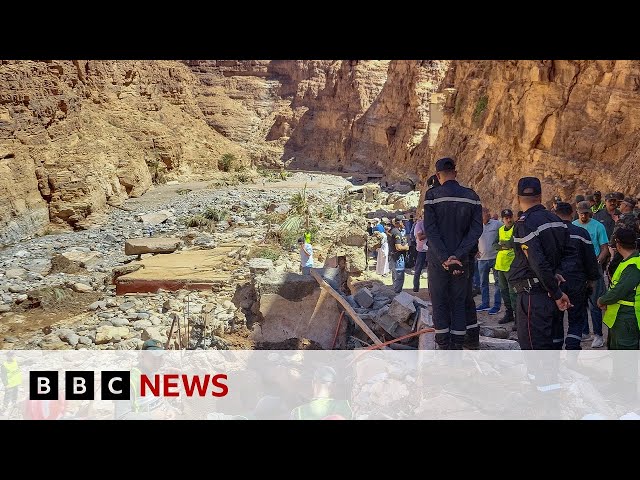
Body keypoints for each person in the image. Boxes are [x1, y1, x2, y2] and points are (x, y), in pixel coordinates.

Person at [423, 157, 482, 349]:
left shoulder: (432, 196)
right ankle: (458, 346)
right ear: (455, 173)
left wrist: (444, 258)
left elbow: (431, 230)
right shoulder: (472, 196)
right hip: (462, 261)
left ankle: (443, 347)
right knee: (458, 302)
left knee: (439, 302)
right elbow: (476, 230)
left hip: (438, 262)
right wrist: (458, 255)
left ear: (438, 175)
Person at [509, 177, 571, 350]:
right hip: (550, 291)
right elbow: (567, 255)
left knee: (534, 349)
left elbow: (537, 261)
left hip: (533, 295)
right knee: (551, 346)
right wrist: (556, 284)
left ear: (518, 197)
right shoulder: (557, 220)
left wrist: (556, 293)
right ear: (541, 195)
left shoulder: (525, 223)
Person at [554, 202, 601, 350]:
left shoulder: (550, 233)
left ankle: (554, 356)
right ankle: (572, 354)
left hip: (555, 283)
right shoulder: (581, 233)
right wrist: (592, 280)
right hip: (577, 282)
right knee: (576, 319)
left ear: (555, 214)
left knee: (556, 319)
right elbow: (590, 259)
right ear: (573, 213)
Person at [573, 200, 609, 348]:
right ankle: (584, 332)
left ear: (590, 212)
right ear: (577, 212)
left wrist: (597, 262)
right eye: (581, 213)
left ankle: (598, 335)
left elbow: (604, 248)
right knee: (580, 302)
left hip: (593, 268)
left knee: (595, 303)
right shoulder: (573, 226)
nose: (584, 215)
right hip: (578, 269)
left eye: (586, 213)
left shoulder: (598, 226)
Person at [599, 228, 640, 349]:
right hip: (620, 316)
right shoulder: (628, 261)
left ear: (618, 244)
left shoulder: (633, 265)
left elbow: (619, 291)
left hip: (626, 318)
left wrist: (602, 300)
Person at [114, 339, 169, 419]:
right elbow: (121, 417)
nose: (157, 361)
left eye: (160, 357)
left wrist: (168, 411)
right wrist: (152, 416)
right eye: (153, 357)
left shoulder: (156, 373)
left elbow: (160, 401)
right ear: (142, 356)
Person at [493, 209, 518, 328]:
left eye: (510, 217)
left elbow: (511, 244)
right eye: (506, 218)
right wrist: (503, 245)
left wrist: (503, 244)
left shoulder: (516, 228)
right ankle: (509, 314)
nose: (509, 219)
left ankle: (518, 318)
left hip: (512, 265)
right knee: (504, 291)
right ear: (502, 220)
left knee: (513, 293)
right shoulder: (500, 230)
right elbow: (494, 245)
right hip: (500, 265)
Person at [476, 207, 503, 315]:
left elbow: (506, 231)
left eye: (486, 213)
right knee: (483, 283)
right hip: (482, 259)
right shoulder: (476, 226)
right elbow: (473, 239)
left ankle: (497, 305)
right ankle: (485, 304)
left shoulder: (497, 224)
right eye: (483, 214)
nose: (485, 216)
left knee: (497, 283)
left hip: (495, 258)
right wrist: (474, 251)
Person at [388, 215, 409, 293]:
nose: (405, 223)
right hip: (398, 257)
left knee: (395, 275)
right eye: (403, 221)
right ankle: (397, 293)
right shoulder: (397, 233)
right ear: (399, 222)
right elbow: (398, 247)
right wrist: (407, 247)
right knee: (399, 275)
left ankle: (395, 290)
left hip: (393, 255)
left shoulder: (392, 231)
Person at [413, 213, 428, 292]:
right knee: (418, 269)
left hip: (431, 250)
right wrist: (430, 233)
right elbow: (420, 237)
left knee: (432, 270)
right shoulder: (419, 224)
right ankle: (416, 287)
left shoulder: (432, 223)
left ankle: (431, 288)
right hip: (422, 250)